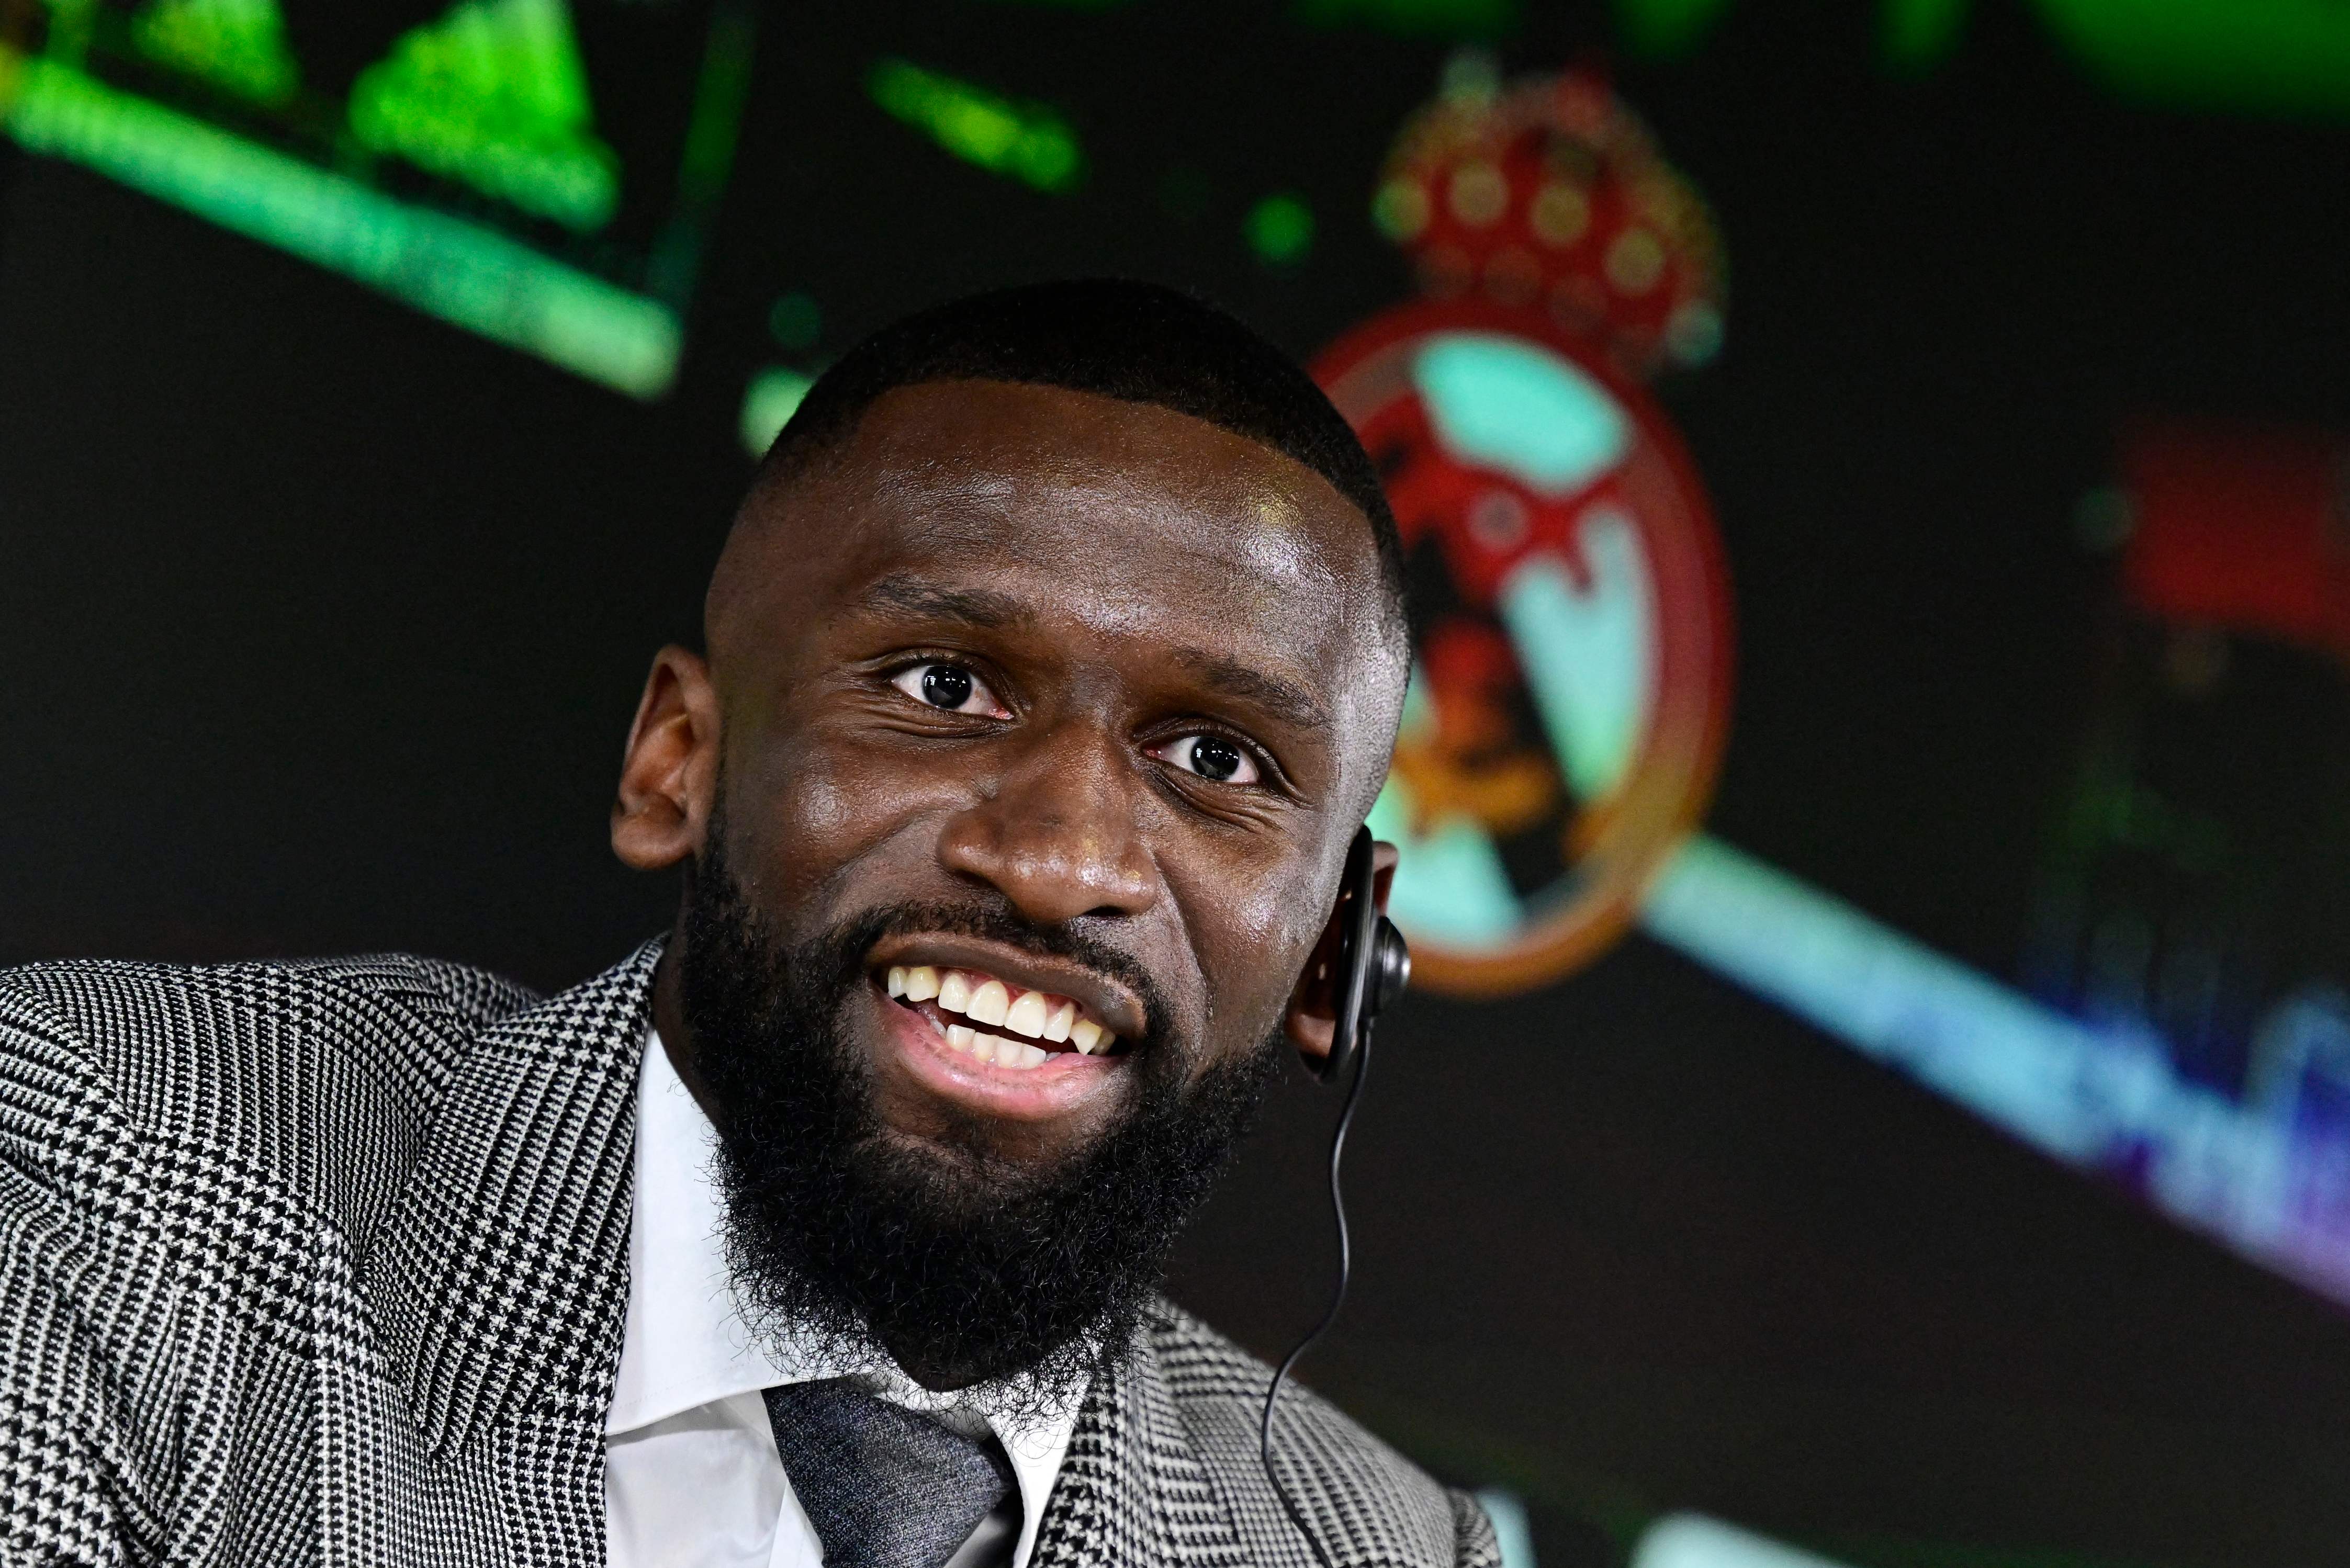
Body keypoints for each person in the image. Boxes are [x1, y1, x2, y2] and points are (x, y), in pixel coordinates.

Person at [0, 280, 1499, 1567]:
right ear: (680, 763)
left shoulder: (1387, 1549)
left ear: (1336, 953)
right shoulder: (102, 1186)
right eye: (943, 687)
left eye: (1217, 762)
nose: (1056, 862)